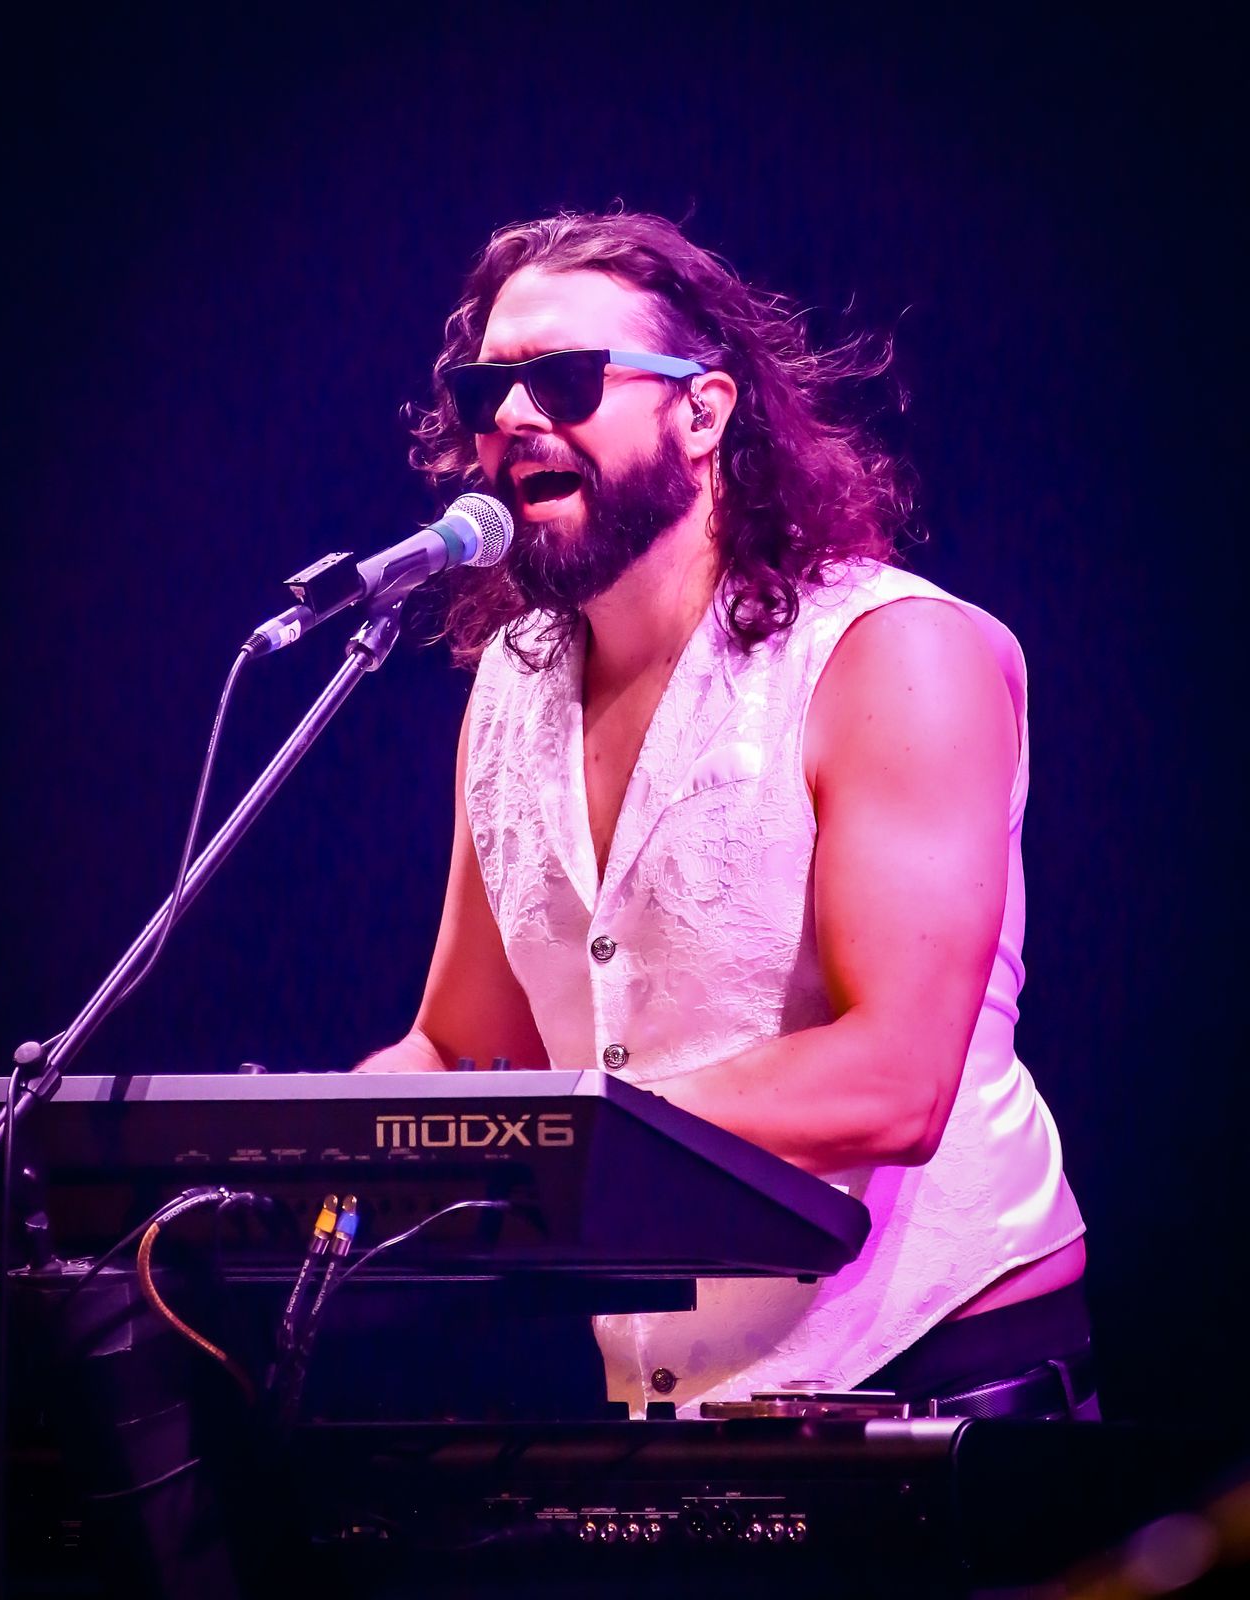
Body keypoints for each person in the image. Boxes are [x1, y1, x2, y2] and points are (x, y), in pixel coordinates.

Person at [356, 210, 1093, 1421]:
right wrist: (318, 1150)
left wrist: (549, 1138)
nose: (515, 417)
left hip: (936, 1373)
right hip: (675, 1399)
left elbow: (894, 1082)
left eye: (564, 379)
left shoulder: (891, 653)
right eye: (485, 391)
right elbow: (461, 1047)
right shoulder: (510, 687)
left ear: (701, 414)